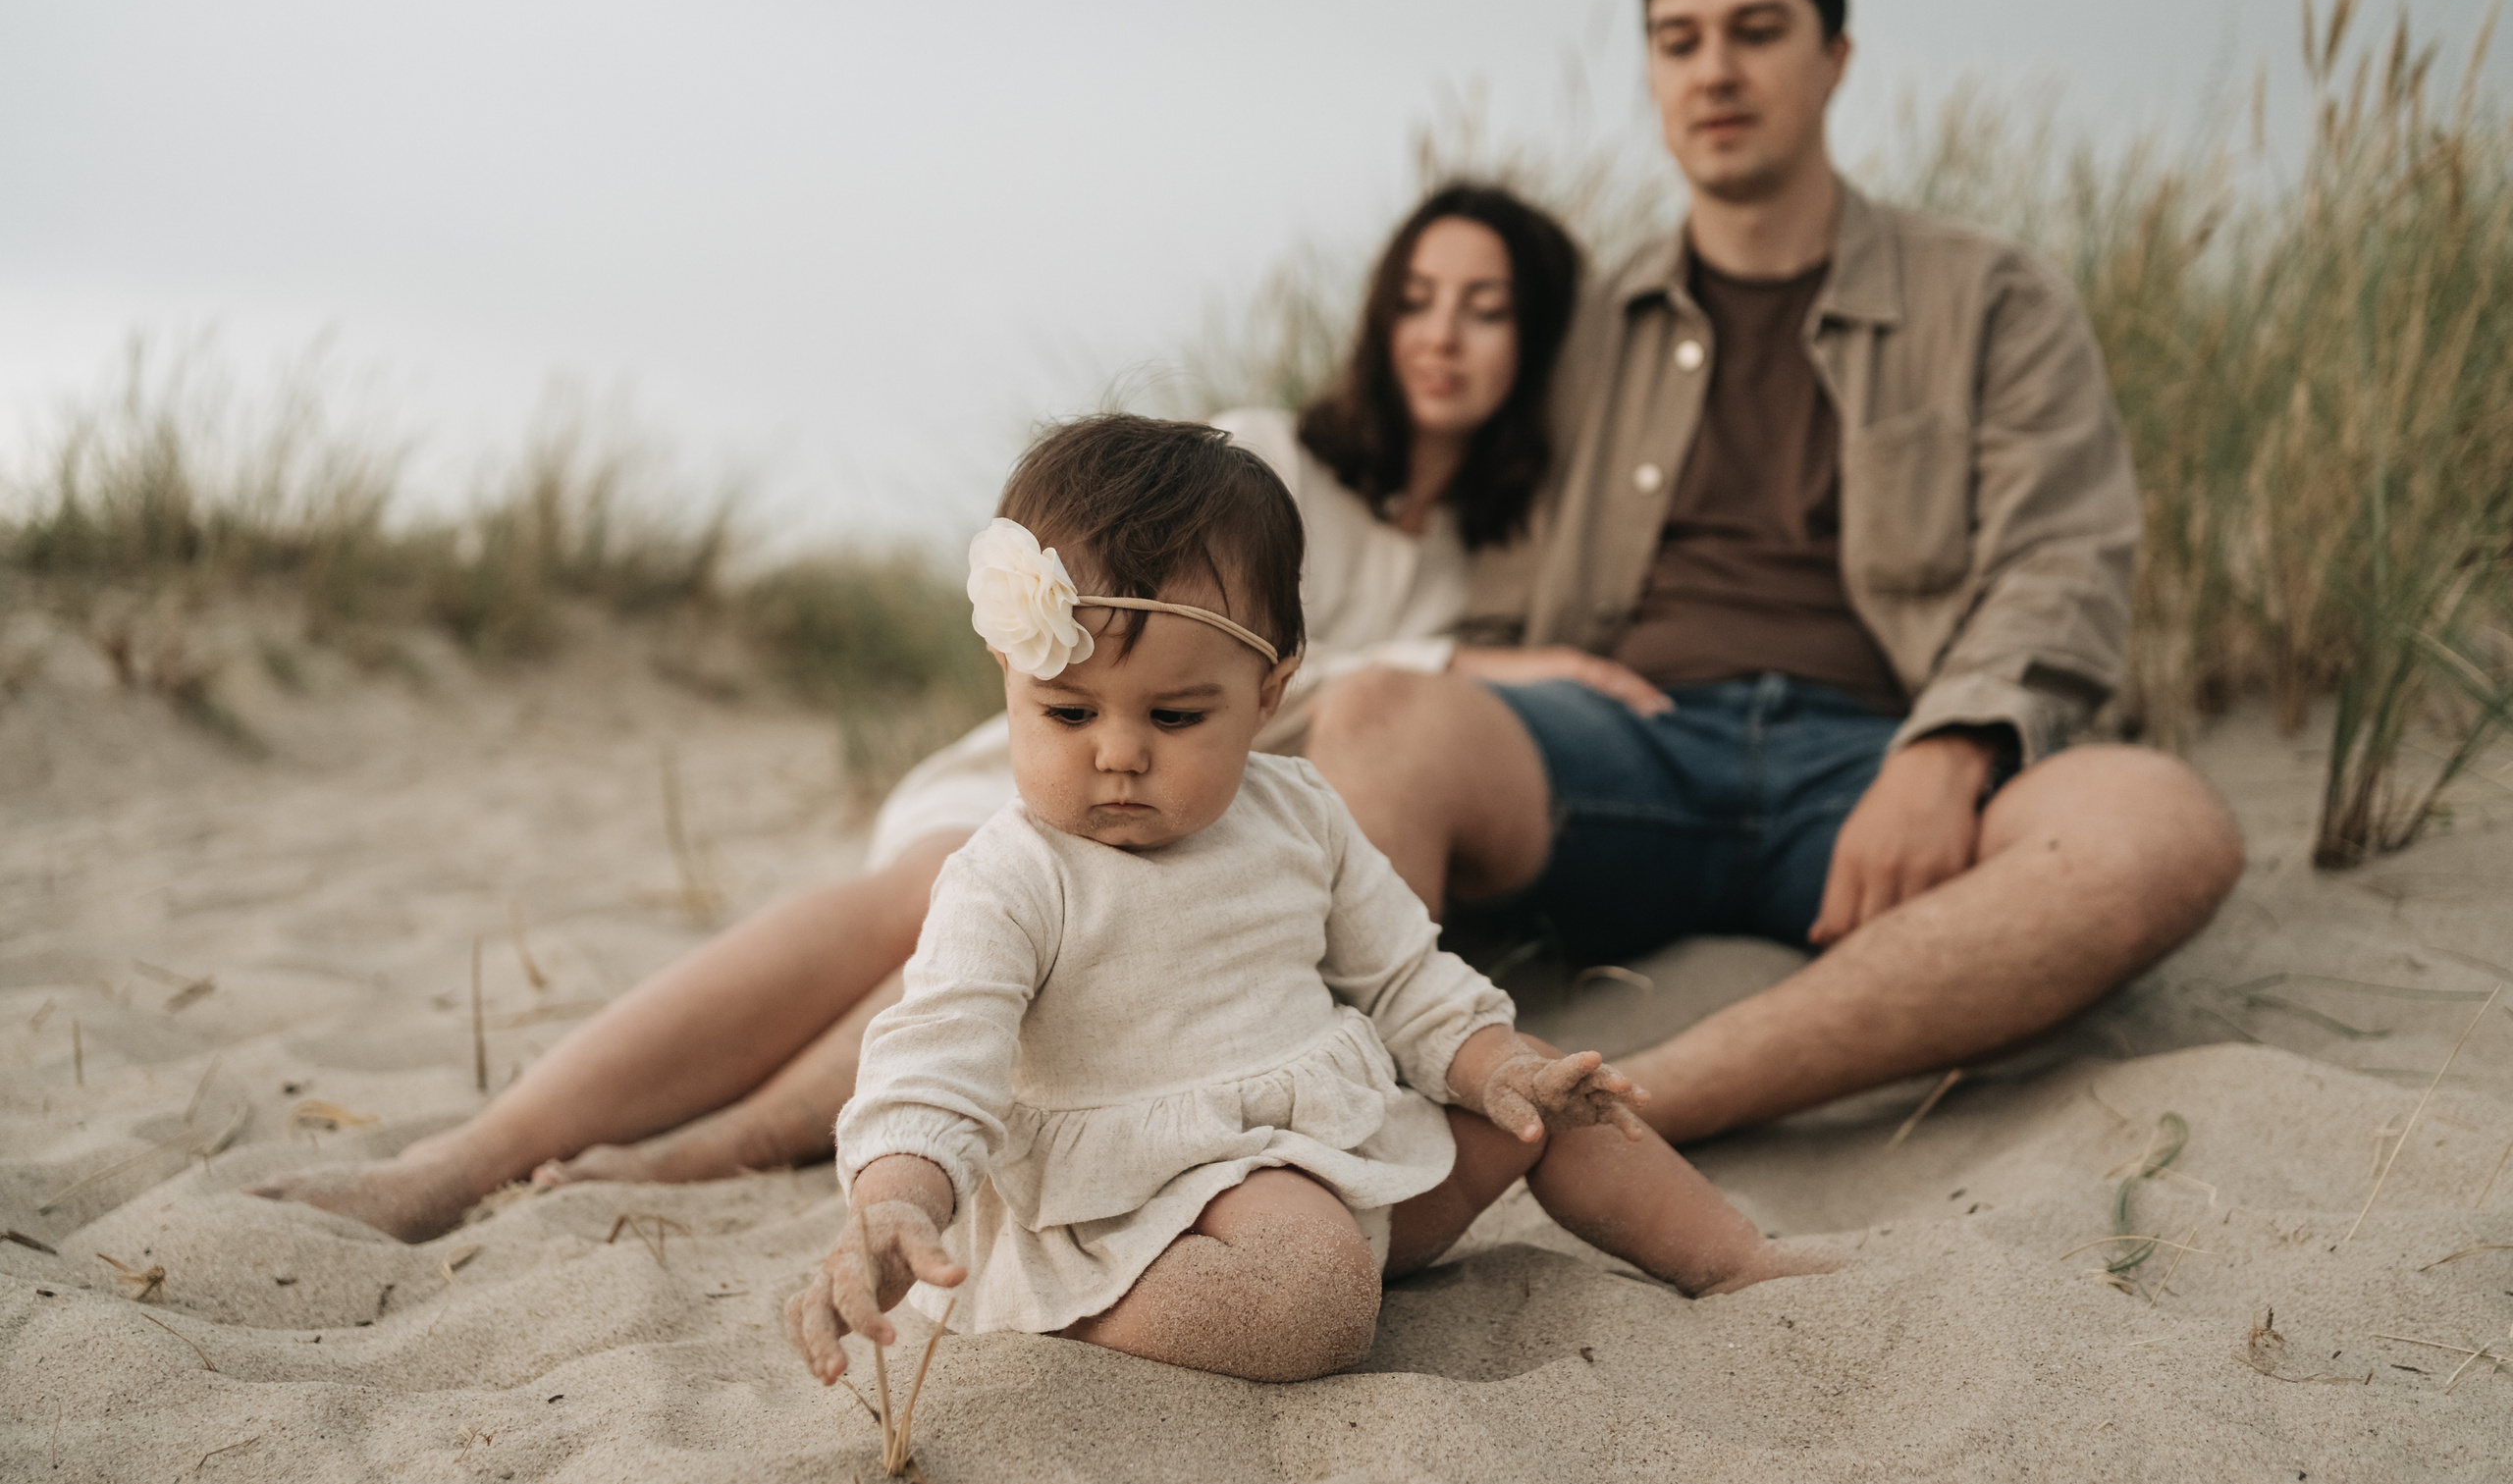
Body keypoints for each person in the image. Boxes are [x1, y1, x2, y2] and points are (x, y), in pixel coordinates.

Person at [247, 185, 1628, 1243]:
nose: (1443, 332)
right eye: (1420, 296)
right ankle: (462, 1158)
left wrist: (1481, 650)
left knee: (1022, 951)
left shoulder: (1502, 558)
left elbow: (1325, 700)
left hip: (1207, 826)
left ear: (1540, 336)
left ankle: (722, 1139)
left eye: (1489, 305)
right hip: (1061, 754)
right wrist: (1481, 660)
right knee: (944, 894)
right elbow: (1246, 646)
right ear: (1381, 316)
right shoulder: (1264, 458)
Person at [1302, 0, 2247, 1147]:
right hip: (1623, 744)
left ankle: (1645, 1108)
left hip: (1868, 763)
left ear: (1835, 55)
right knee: (1378, 719)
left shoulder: (1991, 296)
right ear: (1648, 68)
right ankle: (1339, 1136)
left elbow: (2062, 557)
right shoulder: (1580, 332)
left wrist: (1949, 751)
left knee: (2158, 828)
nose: (1715, 72)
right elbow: (1441, 511)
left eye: (1755, 30)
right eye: (1679, 40)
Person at [783, 415, 1819, 1387]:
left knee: (1555, 1091)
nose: (1117, 752)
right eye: (1065, 710)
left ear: (1267, 695)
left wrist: (1490, 1064)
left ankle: (1733, 1260)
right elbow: (936, 1062)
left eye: (1177, 715)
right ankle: (1076, 1305)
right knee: (1311, 1297)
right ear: (1007, 678)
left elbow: (1403, 976)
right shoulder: (1012, 873)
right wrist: (895, 1203)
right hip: (1149, 1198)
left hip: (1331, 1138)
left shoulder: (1297, 811)